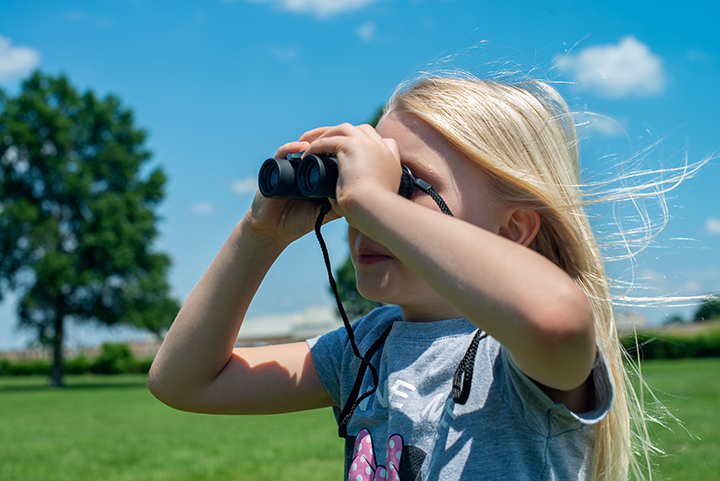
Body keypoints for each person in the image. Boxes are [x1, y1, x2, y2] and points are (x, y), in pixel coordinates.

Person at [149, 74, 648, 480]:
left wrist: (370, 198)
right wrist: (258, 236)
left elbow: (553, 316)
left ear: (513, 228)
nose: (359, 212)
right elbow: (185, 382)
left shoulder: (513, 355)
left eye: (406, 184)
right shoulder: (365, 346)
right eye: (355, 185)